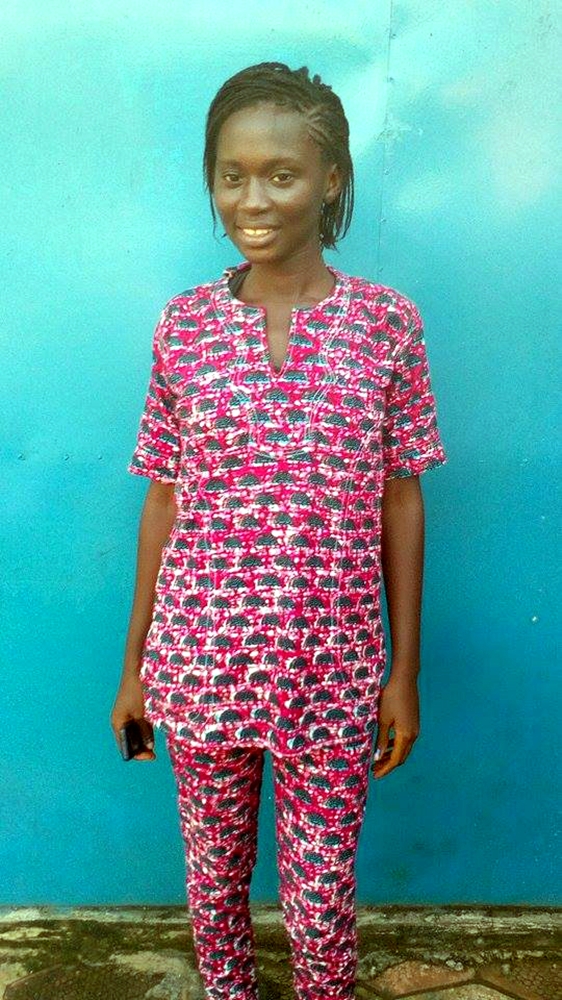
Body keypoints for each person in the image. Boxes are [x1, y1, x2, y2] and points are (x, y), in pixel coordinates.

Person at [111, 61, 447, 1000]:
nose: (251, 200)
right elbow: (164, 498)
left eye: (281, 174)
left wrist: (403, 673)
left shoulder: (386, 325)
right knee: (213, 889)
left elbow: (401, 499)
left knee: (321, 898)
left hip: (335, 667)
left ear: (331, 178)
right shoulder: (184, 326)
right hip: (200, 661)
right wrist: (135, 667)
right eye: (232, 175)